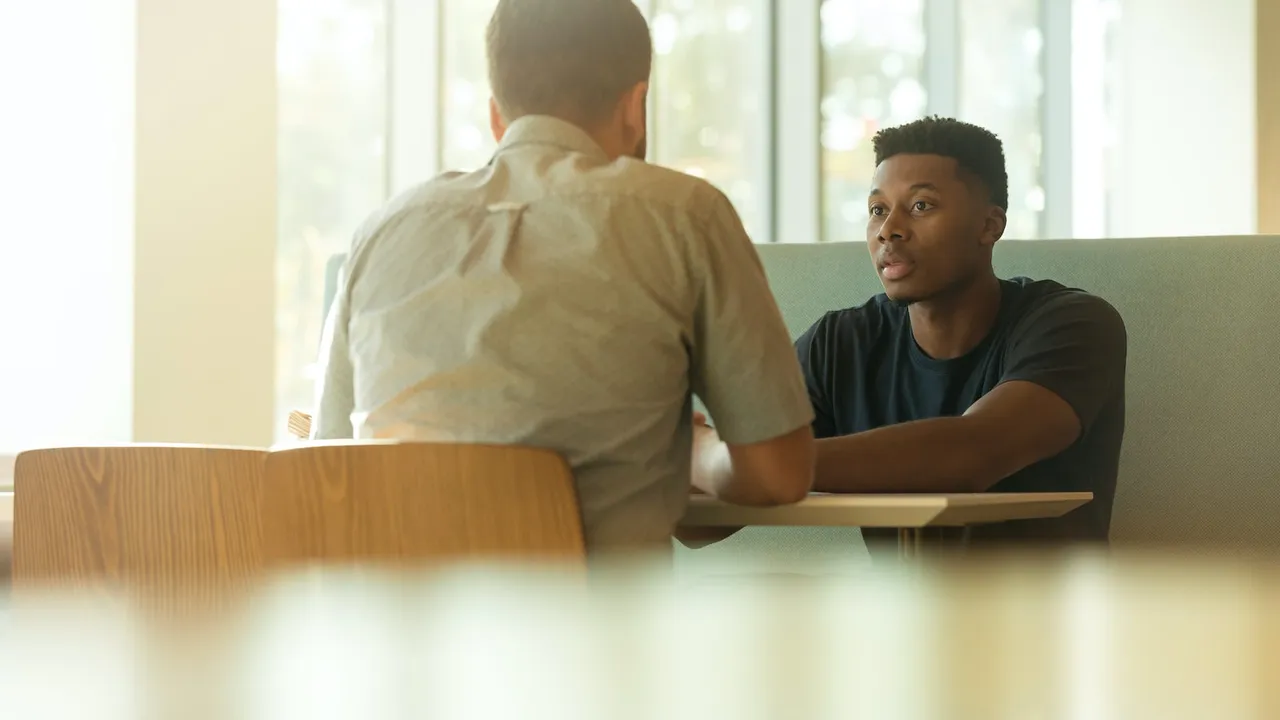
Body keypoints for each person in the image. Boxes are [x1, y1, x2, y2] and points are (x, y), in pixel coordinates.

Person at [310, 0, 816, 557]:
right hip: (596, 635)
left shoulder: (380, 232)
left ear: (498, 117)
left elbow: (328, 468)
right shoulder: (685, 215)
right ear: (637, 107)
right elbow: (777, 474)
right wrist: (695, 450)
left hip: (395, 634)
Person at [695, 116, 1127, 549]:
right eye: (878, 210)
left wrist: (746, 462)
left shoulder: (1074, 325)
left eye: (921, 205)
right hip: (898, 614)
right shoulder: (840, 345)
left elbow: (971, 454)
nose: (889, 229)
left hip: (1048, 614)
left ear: (989, 225)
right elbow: (702, 525)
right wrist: (689, 459)